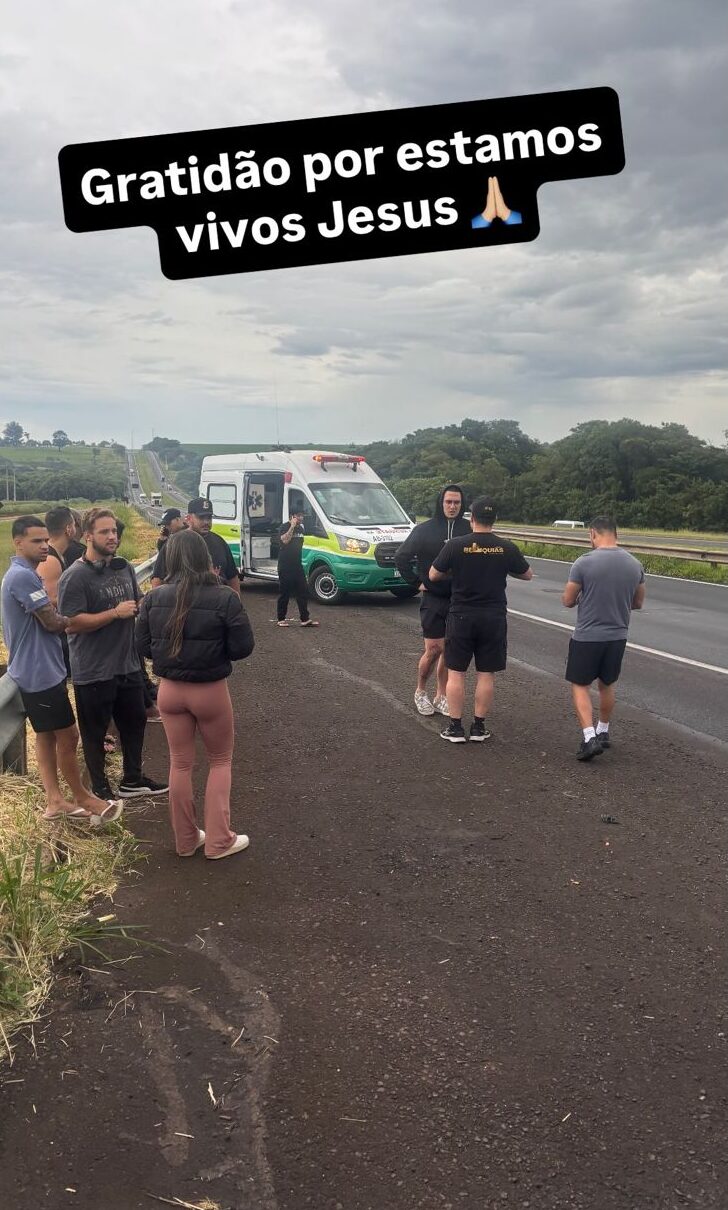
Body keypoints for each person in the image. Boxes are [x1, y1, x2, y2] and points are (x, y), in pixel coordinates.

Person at [136, 529, 255, 859]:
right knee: (220, 761)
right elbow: (243, 646)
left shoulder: (153, 598)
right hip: (210, 690)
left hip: (170, 691)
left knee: (180, 764)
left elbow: (142, 646)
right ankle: (219, 841)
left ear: (169, 559)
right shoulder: (223, 597)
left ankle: (186, 840)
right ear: (204, 557)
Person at [1, 516, 122, 823]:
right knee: (68, 737)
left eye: (46, 540)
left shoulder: (24, 574)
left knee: (46, 736)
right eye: (36, 541)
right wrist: (77, 619)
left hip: (39, 668)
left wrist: (59, 615)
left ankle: (55, 802)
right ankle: (82, 797)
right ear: (17, 542)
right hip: (38, 672)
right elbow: (52, 622)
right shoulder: (22, 577)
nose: (45, 546)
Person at [57, 507, 169, 800]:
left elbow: (136, 600)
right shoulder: (75, 577)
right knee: (94, 735)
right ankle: (101, 790)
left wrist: (150, 603)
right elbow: (70, 624)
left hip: (128, 665)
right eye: (104, 532)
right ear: (88, 535)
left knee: (135, 723)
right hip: (93, 670)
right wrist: (115, 613)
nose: (112, 537)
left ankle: (132, 779)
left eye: (114, 532)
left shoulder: (124, 568)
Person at [429, 496, 533, 742]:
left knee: (456, 672)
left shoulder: (455, 545)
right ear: (494, 519)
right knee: (486, 673)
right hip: (493, 617)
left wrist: (456, 570)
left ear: (471, 518)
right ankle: (478, 727)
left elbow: (433, 574)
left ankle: (455, 727)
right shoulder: (506, 547)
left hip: (461, 615)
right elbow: (528, 575)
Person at [561, 516, 645, 761]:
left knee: (579, 685)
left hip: (587, 635)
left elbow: (567, 600)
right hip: (618, 635)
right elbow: (638, 602)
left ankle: (589, 738)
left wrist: (582, 599)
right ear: (616, 534)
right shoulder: (634, 564)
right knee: (607, 684)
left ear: (593, 534)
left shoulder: (583, 562)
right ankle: (603, 730)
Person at [394, 484, 470, 715]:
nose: (452, 506)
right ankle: (420, 691)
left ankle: (441, 695)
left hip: (459, 599)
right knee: (434, 648)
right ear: (441, 503)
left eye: (456, 502)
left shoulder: (468, 529)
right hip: (433, 598)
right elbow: (402, 557)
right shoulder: (424, 530)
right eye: (448, 502)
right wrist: (418, 583)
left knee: (448, 650)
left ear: (462, 504)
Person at [150, 497, 240, 592]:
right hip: (182, 603)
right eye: (201, 517)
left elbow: (232, 577)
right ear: (189, 518)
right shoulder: (174, 544)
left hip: (216, 604)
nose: (206, 522)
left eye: (209, 517)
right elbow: (157, 578)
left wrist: (237, 602)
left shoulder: (220, 542)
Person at [276, 507, 319, 627]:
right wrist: (292, 527)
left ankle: (305, 619)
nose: (301, 518)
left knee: (303, 591)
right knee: (285, 593)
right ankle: (281, 619)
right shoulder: (284, 527)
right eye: (298, 515)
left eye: (302, 515)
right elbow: (284, 541)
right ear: (292, 516)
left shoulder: (301, 528)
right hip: (285, 565)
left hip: (297, 565)